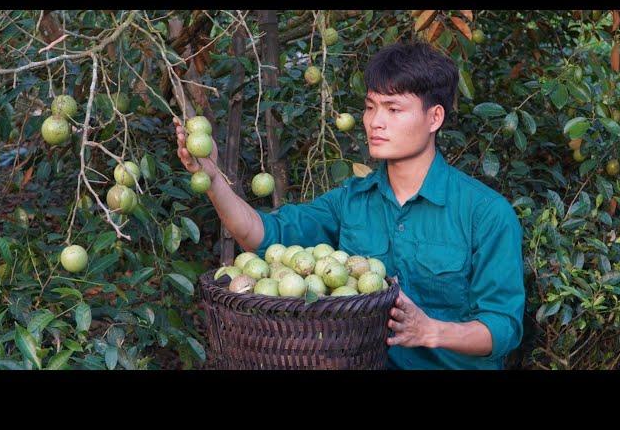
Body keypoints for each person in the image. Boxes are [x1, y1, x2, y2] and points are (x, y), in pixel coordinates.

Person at [174, 42, 525, 370]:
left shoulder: (486, 213)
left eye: (393, 109)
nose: (375, 122)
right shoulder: (350, 202)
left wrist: (430, 330)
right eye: (371, 107)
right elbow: (261, 235)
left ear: (434, 118)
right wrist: (213, 178)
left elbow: (503, 327)